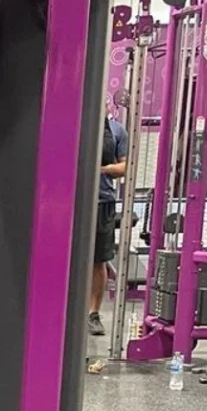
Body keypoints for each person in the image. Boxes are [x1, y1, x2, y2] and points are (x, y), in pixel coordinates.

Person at [90, 114, 128, 335]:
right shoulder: (75, 123)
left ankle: (93, 314)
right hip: (70, 200)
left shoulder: (116, 130)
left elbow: (124, 168)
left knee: (99, 260)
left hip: (103, 201)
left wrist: (102, 169)